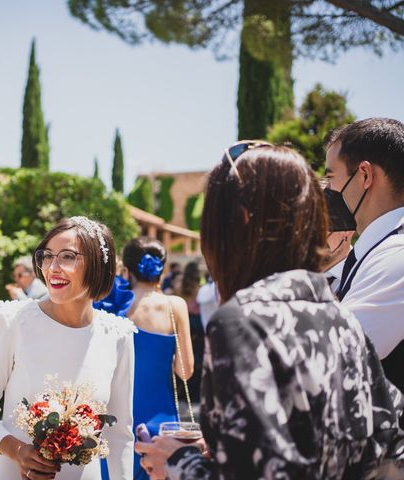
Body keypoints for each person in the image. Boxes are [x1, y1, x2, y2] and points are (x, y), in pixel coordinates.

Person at [136, 143, 404, 479]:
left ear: (239, 220)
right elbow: (389, 448)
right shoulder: (341, 320)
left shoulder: (242, 323)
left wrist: (179, 464)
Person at [0, 217, 135, 479]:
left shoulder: (118, 335)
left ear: (97, 265)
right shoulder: (13, 321)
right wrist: (17, 451)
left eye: (67, 257)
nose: (52, 268)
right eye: (46, 256)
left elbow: (120, 435)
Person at [324, 118, 404, 393]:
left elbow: (331, 357)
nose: (327, 191)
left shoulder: (397, 257)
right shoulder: (379, 249)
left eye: (331, 177)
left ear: (365, 175)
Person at [122, 237, 194, 477]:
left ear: (126, 270)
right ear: (162, 269)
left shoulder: (115, 305)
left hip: (120, 417)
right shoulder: (175, 305)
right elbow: (185, 371)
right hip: (161, 419)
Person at [177, 262, 204, 401]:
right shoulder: (200, 290)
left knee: (182, 357)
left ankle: (182, 391)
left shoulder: (179, 287)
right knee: (195, 361)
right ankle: (193, 394)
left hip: (182, 323)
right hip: (196, 327)